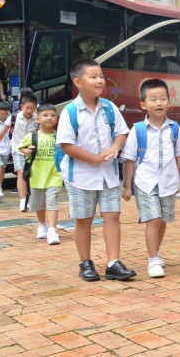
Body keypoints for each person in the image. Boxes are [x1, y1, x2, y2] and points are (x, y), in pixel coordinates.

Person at [56, 58, 135, 282]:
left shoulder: (109, 108)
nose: (100, 81)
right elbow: (66, 145)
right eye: (93, 77)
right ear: (78, 82)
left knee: (112, 216)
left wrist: (115, 147)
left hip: (107, 175)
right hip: (80, 176)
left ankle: (113, 263)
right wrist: (93, 158)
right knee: (84, 219)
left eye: (101, 76)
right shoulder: (70, 112)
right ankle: (86, 263)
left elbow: (121, 132)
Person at [121, 79, 180, 278]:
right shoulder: (138, 130)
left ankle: (156, 251)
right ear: (143, 105)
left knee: (162, 221)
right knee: (154, 219)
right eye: (153, 99)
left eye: (162, 99)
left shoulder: (175, 129)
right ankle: (152, 260)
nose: (159, 103)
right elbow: (130, 161)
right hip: (145, 182)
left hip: (168, 182)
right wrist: (128, 187)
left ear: (169, 102)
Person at [18, 103, 62, 245]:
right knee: (39, 205)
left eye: (53, 115)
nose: (49, 118)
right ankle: (42, 225)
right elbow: (21, 148)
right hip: (37, 177)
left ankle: (52, 230)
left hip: (55, 176)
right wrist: (27, 150)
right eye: (45, 115)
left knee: (52, 203)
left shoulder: (59, 137)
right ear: (37, 119)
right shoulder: (33, 136)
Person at [0, 90, 38, 212]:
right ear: (22, 106)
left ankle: (33, 200)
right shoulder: (14, 117)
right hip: (17, 149)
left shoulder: (37, 120)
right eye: (27, 108)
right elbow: (3, 132)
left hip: (32, 151)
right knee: (21, 173)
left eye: (32, 108)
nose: (29, 111)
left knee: (32, 175)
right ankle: (23, 201)